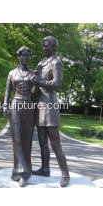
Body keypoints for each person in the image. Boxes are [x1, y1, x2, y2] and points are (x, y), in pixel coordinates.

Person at [32, 36, 70, 187]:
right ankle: (45, 168)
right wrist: (35, 79)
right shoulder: (41, 63)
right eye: (43, 45)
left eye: (46, 45)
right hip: (40, 106)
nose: (44, 48)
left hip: (50, 105)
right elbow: (36, 89)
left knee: (55, 143)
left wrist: (39, 81)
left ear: (54, 47)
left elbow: (57, 83)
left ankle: (65, 173)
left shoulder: (56, 62)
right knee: (42, 142)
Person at [3, 46, 35, 187]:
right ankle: (19, 172)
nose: (26, 58)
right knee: (17, 138)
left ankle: (27, 170)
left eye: (28, 56)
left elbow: (35, 92)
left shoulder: (32, 74)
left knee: (27, 139)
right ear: (19, 56)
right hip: (15, 104)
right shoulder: (12, 73)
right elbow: (8, 90)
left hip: (28, 105)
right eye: (23, 55)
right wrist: (5, 105)